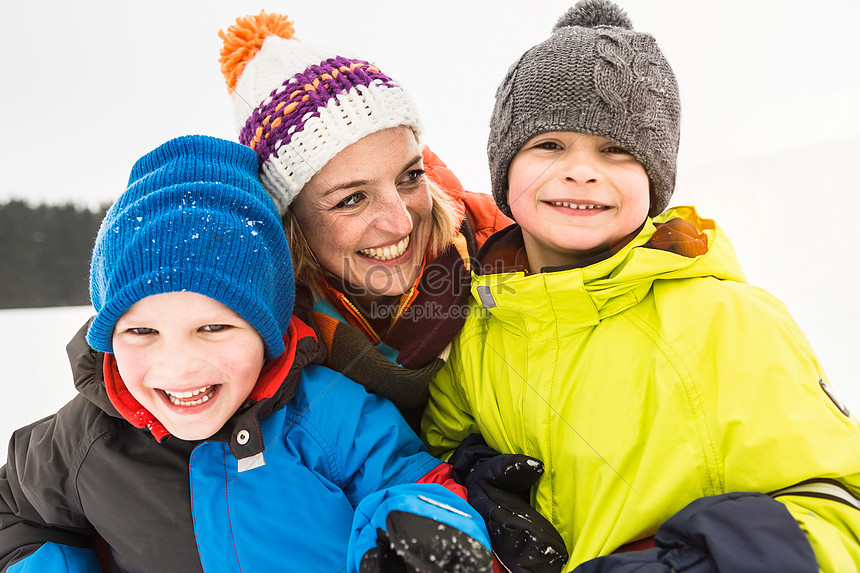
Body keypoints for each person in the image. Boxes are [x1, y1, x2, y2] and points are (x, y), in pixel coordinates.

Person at [421, 1, 860, 571]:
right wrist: (468, 498)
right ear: (505, 169)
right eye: (549, 145)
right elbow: (432, 457)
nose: (580, 171)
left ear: (654, 181)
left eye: (616, 151)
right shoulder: (478, 328)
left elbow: (838, 508)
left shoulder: (723, 320)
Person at [0, 135, 493, 573]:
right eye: (143, 332)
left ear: (268, 329)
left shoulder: (325, 412)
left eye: (213, 327)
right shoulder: (83, 439)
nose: (177, 365)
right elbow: (15, 510)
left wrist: (422, 532)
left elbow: (412, 481)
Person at [217, 11, 513, 432]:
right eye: (353, 199)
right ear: (290, 222)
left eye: (411, 176)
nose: (400, 223)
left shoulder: (507, 242)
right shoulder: (259, 341)